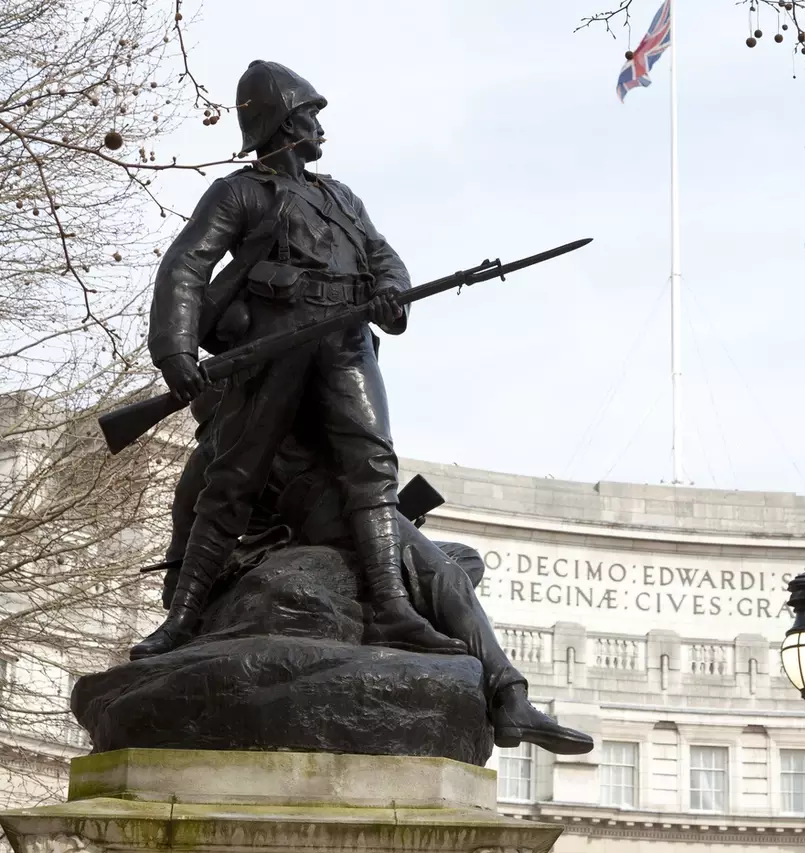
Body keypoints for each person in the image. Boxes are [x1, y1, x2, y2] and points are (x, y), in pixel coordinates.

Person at [133, 60, 442, 659]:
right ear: (282, 121)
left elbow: (384, 257)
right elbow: (187, 265)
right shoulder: (240, 191)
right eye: (309, 115)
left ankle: (392, 609)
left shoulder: (341, 198)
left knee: (372, 467)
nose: (320, 127)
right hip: (273, 341)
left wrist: (390, 292)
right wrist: (174, 349)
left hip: (346, 340)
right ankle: (182, 618)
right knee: (234, 476)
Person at [156, 387, 593, 755]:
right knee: (447, 574)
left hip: (331, 530)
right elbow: (183, 557)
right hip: (311, 536)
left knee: (464, 558)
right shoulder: (237, 451)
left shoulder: (266, 435)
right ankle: (510, 696)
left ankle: (402, 622)